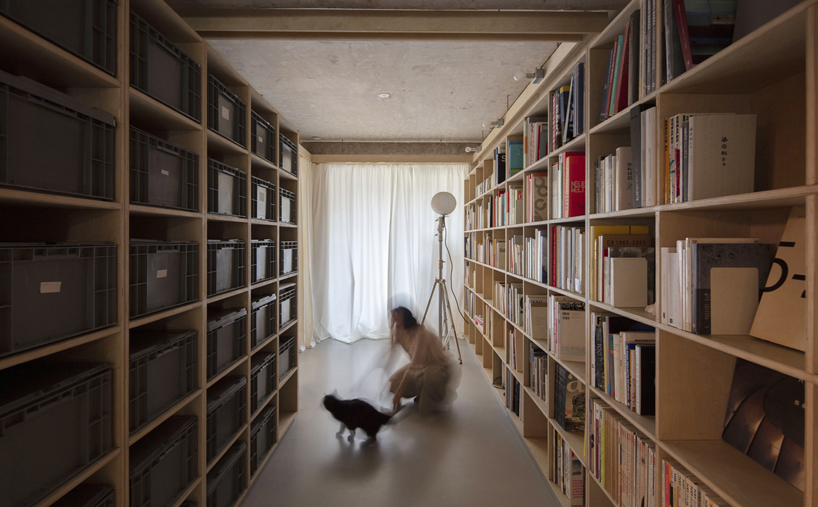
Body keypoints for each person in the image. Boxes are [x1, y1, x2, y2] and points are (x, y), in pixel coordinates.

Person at [388, 306, 459, 413]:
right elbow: (391, 353)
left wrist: (399, 394)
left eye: (398, 312)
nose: (394, 315)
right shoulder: (398, 329)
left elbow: (413, 366)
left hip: (440, 366)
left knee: (426, 407)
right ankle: (422, 390)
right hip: (421, 366)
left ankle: (440, 393)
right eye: (393, 312)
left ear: (405, 314)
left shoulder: (420, 333)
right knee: (393, 383)